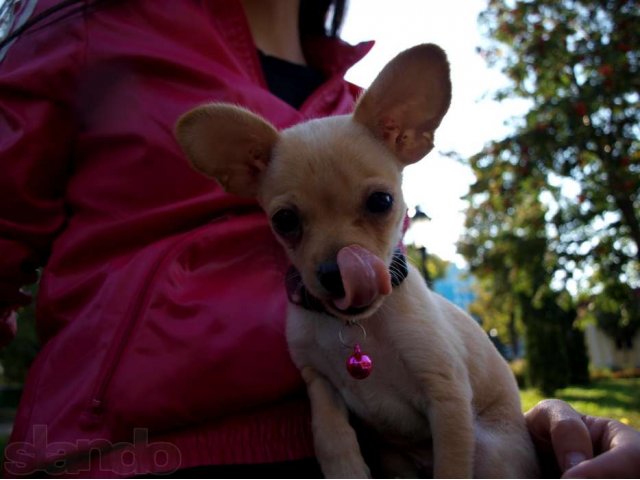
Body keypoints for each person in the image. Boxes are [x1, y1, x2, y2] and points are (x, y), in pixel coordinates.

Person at [0, 0, 638, 477]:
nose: (342, 255)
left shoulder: (359, 105)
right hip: (137, 453)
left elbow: (435, 374)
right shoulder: (83, 22)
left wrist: (536, 435)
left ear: (407, 136)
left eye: (377, 207)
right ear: (241, 172)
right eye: (290, 222)